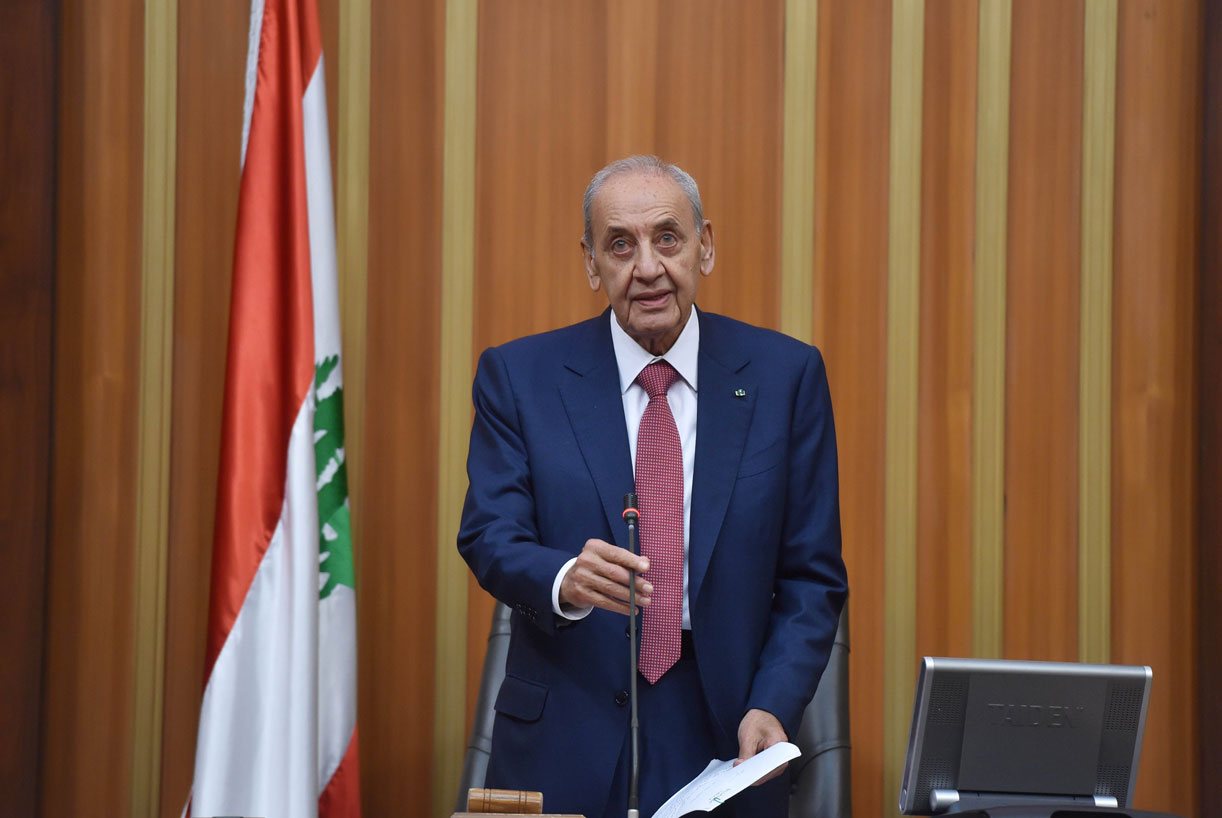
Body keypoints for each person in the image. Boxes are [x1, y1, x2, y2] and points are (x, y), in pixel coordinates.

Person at [458, 155, 846, 818]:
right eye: (619, 245)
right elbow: (490, 535)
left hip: (726, 729)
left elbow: (811, 576)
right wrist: (565, 578)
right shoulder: (520, 376)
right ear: (590, 262)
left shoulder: (786, 376)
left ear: (705, 246)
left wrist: (773, 703)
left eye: (667, 238)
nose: (647, 267)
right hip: (567, 725)